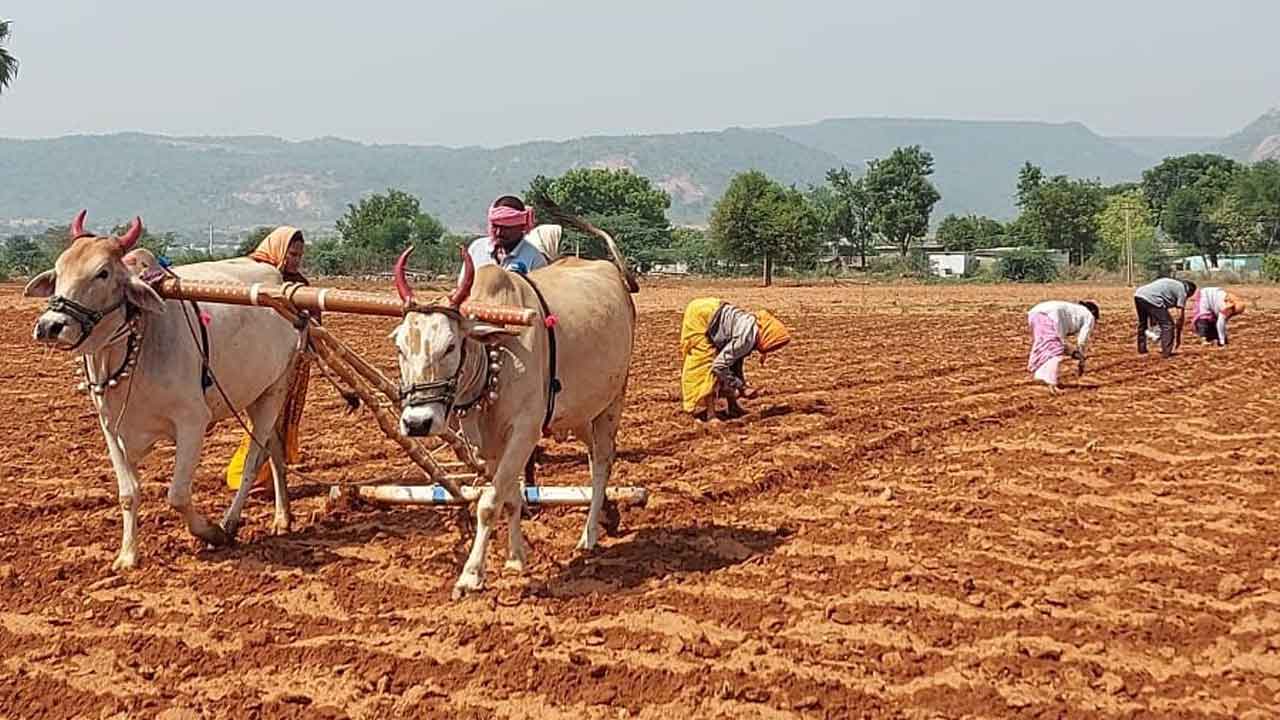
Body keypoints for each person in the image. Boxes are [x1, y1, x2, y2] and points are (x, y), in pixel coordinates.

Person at [225, 226, 315, 491]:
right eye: (291, 254)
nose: (295, 260)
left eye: (299, 255)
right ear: (278, 251)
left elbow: (315, 322)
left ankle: (268, 477)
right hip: (262, 361)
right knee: (261, 419)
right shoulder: (257, 281)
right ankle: (248, 474)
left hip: (293, 363)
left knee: (281, 419)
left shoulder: (301, 286)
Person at [680, 298, 791, 421]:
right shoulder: (746, 340)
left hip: (711, 306)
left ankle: (733, 406)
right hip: (700, 316)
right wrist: (742, 387)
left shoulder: (753, 328)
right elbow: (719, 366)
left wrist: (742, 385)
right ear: (768, 338)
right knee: (707, 365)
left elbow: (735, 362)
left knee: (729, 364)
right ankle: (711, 415)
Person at [462, 195, 548, 280]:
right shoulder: (477, 249)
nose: (498, 232)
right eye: (495, 226)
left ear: (521, 226)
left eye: (506, 227)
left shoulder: (534, 259)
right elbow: (463, 286)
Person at [1026, 300, 1099, 391]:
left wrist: (1073, 353)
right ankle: (1051, 383)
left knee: (1043, 345)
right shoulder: (1089, 316)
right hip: (1050, 315)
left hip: (1034, 314)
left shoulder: (1074, 311)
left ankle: (1040, 377)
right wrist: (1081, 357)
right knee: (1055, 349)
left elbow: (1062, 341)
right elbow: (1082, 340)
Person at [1134, 277, 1196, 358]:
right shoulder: (1183, 291)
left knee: (1143, 323)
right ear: (1190, 291)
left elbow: (1158, 309)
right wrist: (1178, 338)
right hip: (1152, 298)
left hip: (1139, 295)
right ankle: (1166, 353)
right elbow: (1180, 318)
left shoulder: (1173, 284)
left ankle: (1142, 350)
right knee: (1168, 325)